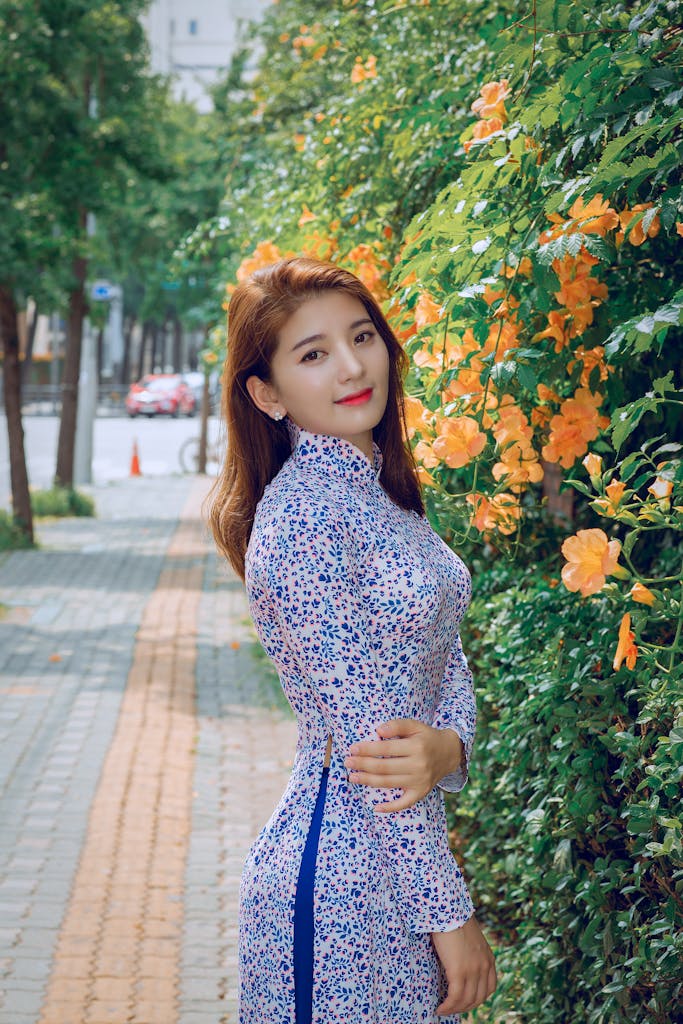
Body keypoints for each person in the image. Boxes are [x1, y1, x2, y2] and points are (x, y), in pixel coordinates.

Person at [209, 255, 497, 1023]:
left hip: (392, 867)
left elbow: (445, 660)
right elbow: (375, 751)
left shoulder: (385, 497)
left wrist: (451, 749)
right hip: (336, 882)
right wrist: (451, 916)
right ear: (266, 394)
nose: (350, 365)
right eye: (313, 354)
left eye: (361, 336)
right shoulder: (302, 520)